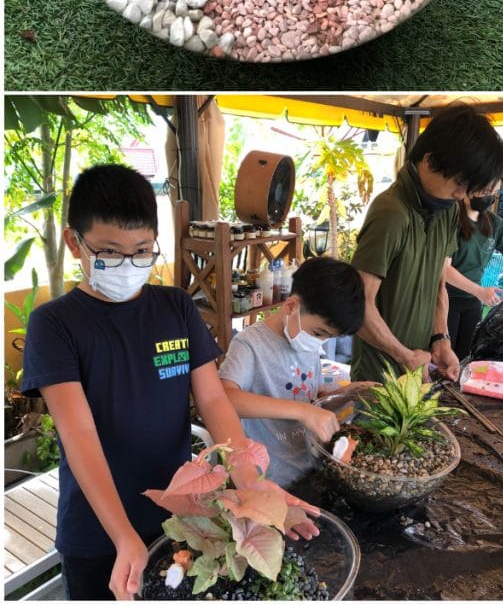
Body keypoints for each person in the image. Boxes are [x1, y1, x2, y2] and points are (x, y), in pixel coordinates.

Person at [20, 164, 316, 602]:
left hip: (184, 516)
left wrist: (249, 483)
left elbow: (214, 399)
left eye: (141, 250)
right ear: (74, 243)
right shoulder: (56, 325)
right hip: (100, 530)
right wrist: (122, 535)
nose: (127, 264)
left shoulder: (175, 306)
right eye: (109, 252)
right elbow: (78, 432)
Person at [348, 105, 503, 384]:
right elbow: (357, 304)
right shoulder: (391, 213)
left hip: (417, 371)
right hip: (378, 376)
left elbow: (438, 283)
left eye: (468, 187)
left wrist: (441, 339)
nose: (461, 194)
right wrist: (404, 355)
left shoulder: (447, 210)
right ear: (430, 160)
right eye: (458, 182)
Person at [218, 257, 365, 487]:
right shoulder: (250, 344)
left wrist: (345, 394)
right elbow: (224, 399)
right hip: (269, 480)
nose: (321, 343)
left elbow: (309, 398)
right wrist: (302, 412)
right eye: (319, 333)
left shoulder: (305, 341)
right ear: (290, 306)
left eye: (328, 337)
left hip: (310, 469)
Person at [444, 181, 503, 362]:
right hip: (447, 299)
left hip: (473, 303)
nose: (490, 197)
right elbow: (445, 270)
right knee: (444, 357)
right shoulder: (450, 220)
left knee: (466, 358)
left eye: (494, 192)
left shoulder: (495, 224)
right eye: (487, 191)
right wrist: (480, 291)